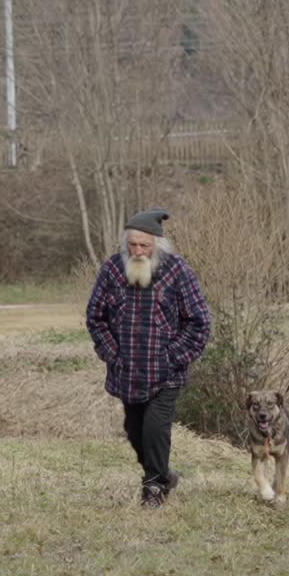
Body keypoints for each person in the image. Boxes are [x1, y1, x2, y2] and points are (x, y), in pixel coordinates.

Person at [86, 208, 212, 509]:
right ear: (125, 244)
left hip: (166, 371)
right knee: (135, 432)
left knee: (156, 429)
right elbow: (95, 317)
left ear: (158, 244)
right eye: (133, 245)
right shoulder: (113, 270)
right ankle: (165, 474)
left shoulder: (178, 271)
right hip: (127, 370)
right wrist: (112, 353)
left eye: (144, 245)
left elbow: (199, 321)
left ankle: (154, 488)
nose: (138, 251)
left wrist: (173, 356)